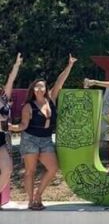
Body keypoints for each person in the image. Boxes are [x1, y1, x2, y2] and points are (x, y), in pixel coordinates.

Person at [9, 55, 76, 210]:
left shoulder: (51, 99)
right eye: (36, 87)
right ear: (33, 90)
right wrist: (13, 127)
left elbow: (60, 82)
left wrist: (69, 66)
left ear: (46, 89)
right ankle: (31, 200)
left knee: (53, 169)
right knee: (30, 171)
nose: (39, 89)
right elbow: (24, 125)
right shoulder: (28, 106)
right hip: (30, 139)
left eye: (42, 86)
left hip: (46, 140)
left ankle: (38, 195)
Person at [0, 53, 23, 199]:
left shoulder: (3, 98)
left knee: (7, 169)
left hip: (1, 137)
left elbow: (11, 80)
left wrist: (16, 65)